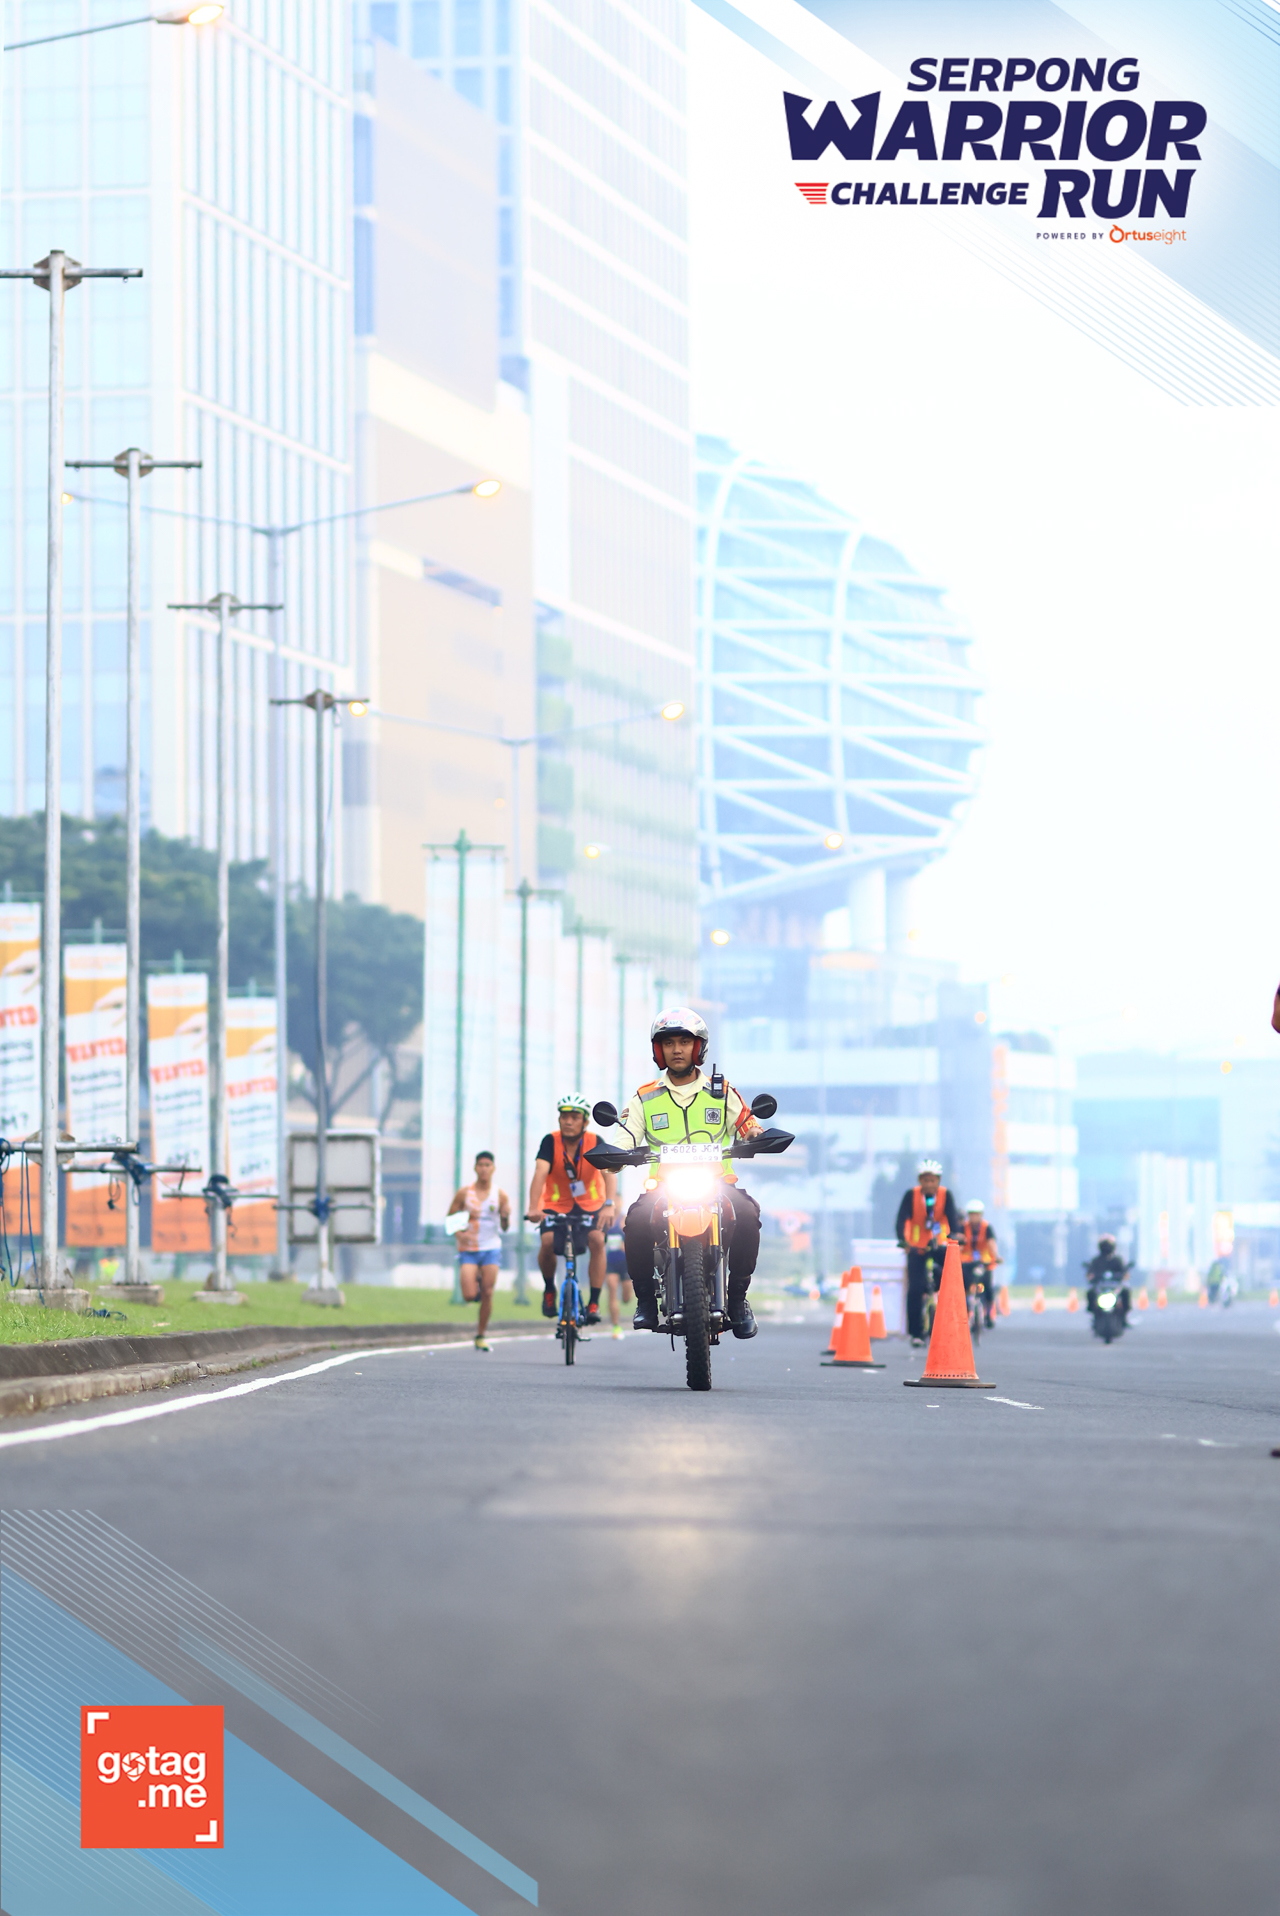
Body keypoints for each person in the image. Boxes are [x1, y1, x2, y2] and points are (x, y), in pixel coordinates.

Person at [614, 1007, 764, 1339]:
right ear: (659, 1050)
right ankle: (645, 1300)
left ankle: (738, 1299)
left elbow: (749, 1125)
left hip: (717, 1183)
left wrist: (756, 1135)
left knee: (748, 1215)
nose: (677, 1050)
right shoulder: (644, 1097)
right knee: (635, 1222)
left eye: (684, 1042)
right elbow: (625, 1139)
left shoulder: (721, 1091)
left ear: (698, 1047)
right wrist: (616, 1155)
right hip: (664, 1186)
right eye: (669, 1043)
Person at [526, 1096, 617, 1324]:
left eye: (574, 1117)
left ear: (585, 1122)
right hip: (556, 1204)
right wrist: (533, 1207)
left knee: (597, 1240)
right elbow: (540, 1173)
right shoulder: (550, 1141)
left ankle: (594, 1301)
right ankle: (549, 1289)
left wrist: (609, 1204)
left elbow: (609, 1174)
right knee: (547, 1242)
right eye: (564, 1116)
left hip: (592, 1203)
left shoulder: (595, 1140)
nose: (568, 1122)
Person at [446, 1152, 511, 1351]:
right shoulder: (464, 1193)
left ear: (493, 1168)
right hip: (469, 1249)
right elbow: (450, 1217)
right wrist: (459, 1234)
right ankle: (477, 1284)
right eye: (481, 1165)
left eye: (487, 1165)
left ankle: (481, 1334)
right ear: (475, 1168)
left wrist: (505, 1217)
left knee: (488, 1293)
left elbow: (505, 1227)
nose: (484, 1169)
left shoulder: (500, 1194)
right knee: (468, 1295)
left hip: (491, 1247)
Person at [895, 1159, 961, 1346]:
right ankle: (915, 1333)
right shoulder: (911, 1196)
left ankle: (954, 1324)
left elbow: (953, 1219)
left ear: (938, 1180)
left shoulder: (946, 1195)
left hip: (938, 1245)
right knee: (915, 1289)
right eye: (926, 1180)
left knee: (952, 1281)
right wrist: (902, 1239)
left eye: (933, 1180)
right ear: (920, 1181)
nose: (929, 1184)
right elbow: (901, 1219)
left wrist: (956, 1235)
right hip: (917, 1247)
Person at [960, 1199, 1000, 1327]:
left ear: (981, 1215)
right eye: (972, 1214)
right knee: (964, 1286)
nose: (974, 1217)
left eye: (976, 1214)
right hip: (967, 1262)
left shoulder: (987, 1228)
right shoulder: (963, 1228)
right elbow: (960, 1243)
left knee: (987, 1287)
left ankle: (988, 1313)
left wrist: (996, 1256)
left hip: (984, 1261)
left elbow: (991, 1242)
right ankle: (965, 1310)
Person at [1085, 1234, 1131, 1323]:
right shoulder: (1096, 1260)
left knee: (1126, 1292)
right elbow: (1090, 1274)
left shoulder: (1117, 1260)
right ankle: (1094, 1314)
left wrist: (1123, 1276)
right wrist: (1091, 1277)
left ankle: (1124, 1317)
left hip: (1114, 1287)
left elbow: (1124, 1273)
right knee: (1090, 1292)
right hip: (1100, 1287)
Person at [602, 1218, 632, 1340]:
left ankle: (627, 1297)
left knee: (626, 1298)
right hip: (611, 1263)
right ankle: (615, 1326)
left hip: (625, 1263)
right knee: (612, 1291)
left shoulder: (624, 1219)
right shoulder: (604, 1221)